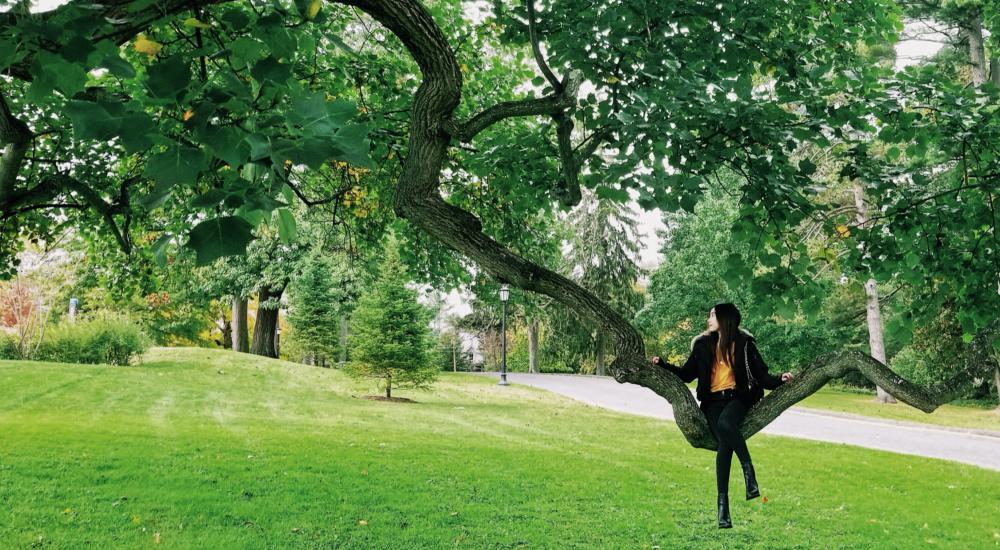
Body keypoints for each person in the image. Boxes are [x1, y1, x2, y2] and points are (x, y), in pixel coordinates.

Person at [651, 302, 794, 529]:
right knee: (724, 444)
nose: (708, 319)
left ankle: (742, 482)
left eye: (712, 315)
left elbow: (762, 375)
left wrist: (781, 380)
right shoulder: (701, 345)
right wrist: (664, 365)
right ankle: (729, 501)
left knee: (727, 425)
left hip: (738, 398)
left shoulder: (744, 344)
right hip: (712, 403)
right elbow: (687, 375)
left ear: (724, 319)